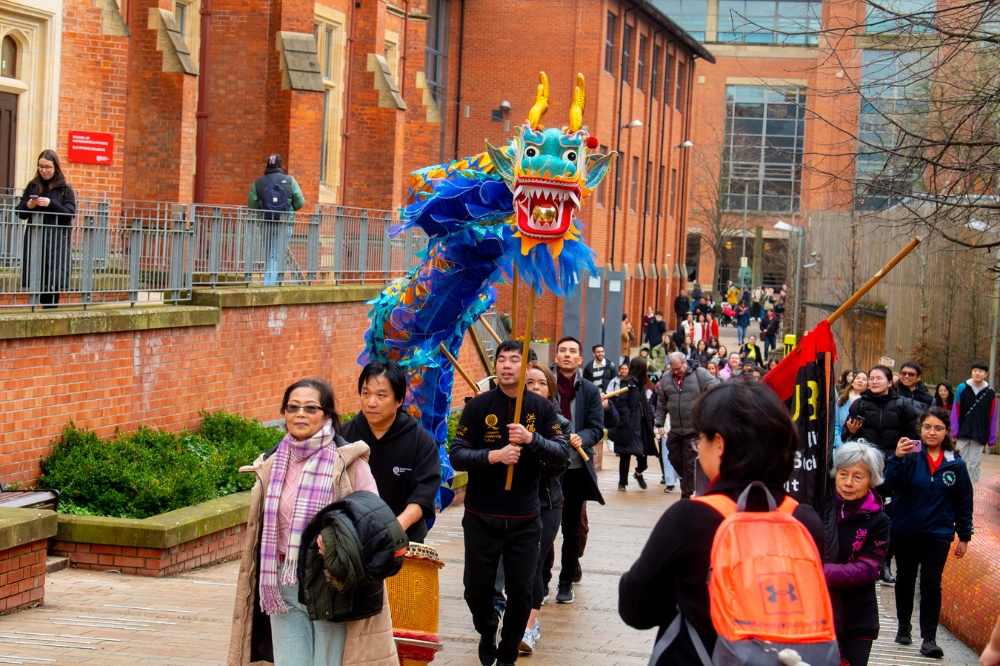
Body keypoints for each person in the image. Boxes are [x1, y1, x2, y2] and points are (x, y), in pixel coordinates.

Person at [619, 381, 824, 665]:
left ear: (719, 444)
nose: (697, 447)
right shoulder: (804, 519)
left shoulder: (690, 518)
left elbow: (636, 610)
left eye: (700, 438)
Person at [228, 379, 397, 666]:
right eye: (292, 408)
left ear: (327, 414)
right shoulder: (272, 461)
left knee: (328, 662)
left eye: (310, 408)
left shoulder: (348, 461)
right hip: (282, 579)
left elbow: (374, 519)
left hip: (329, 578)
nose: (300, 414)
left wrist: (335, 537)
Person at [449, 340, 570, 666]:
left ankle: (506, 655)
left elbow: (561, 456)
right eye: (501, 359)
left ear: (525, 367)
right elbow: (456, 454)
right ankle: (487, 628)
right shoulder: (479, 406)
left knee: (521, 592)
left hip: (525, 518)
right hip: (480, 515)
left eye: (513, 360)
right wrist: (494, 456)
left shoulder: (542, 409)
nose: (506, 366)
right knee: (477, 591)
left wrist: (532, 439)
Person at [885, 407, 974, 660]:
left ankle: (929, 638)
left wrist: (964, 537)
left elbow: (964, 502)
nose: (931, 432)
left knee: (931, 584)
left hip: (938, 534)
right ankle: (904, 627)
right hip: (906, 531)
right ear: (919, 429)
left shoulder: (955, 464)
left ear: (946, 431)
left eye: (937, 428)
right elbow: (890, 485)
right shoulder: (910, 456)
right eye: (927, 427)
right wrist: (897, 458)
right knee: (905, 579)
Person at [341, 360, 440, 543]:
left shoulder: (420, 441)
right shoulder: (343, 436)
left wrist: (395, 528)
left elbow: (423, 494)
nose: (371, 403)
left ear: (399, 400)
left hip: (403, 540)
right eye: (366, 394)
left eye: (381, 395)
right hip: (351, 542)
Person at [518, 363, 570, 655]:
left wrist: (530, 440)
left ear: (550, 390)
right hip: (511, 505)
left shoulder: (559, 424)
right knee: (514, 566)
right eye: (529, 383)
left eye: (540, 383)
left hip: (546, 503)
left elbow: (556, 465)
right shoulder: (507, 418)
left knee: (534, 565)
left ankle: (528, 626)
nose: (534, 388)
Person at [550, 337, 606, 605]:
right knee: (544, 529)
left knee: (572, 529)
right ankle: (539, 581)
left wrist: (581, 436)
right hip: (547, 469)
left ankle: (565, 582)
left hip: (574, 468)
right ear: (556, 356)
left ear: (580, 359)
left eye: (573, 351)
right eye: (563, 351)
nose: (567, 355)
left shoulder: (590, 392)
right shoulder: (543, 384)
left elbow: (597, 427)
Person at [824, 442, 890, 666]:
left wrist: (819, 572)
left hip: (858, 618)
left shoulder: (879, 521)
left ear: (872, 480)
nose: (848, 483)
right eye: (843, 474)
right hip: (819, 614)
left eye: (858, 477)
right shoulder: (820, 509)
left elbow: (867, 569)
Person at [654, 352, 719, 499]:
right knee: (674, 458)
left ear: (685, 363)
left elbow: (716, 392)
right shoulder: (666, 377)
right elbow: (661, 401)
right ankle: (691, 481)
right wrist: (659, 422)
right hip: (675, 428)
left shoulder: (700, 374)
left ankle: (686, 495)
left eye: (678, 369)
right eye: (673, 369)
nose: (676, 372)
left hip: (695, 428)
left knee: (690, 462)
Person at [16, 150, 76, 308]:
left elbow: (69, 214)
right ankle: (36, 312)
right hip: (36, 238)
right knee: (37, 276)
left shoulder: (65, 189)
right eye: (41, 166)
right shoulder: (33, 185)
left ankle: (49, 312)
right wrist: (28, 206)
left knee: (53, 280)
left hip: (56, 241)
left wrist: (51, 204)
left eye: (48, 167)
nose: (44, 170)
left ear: (55, 167)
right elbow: (20, 212)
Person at [247, 153, 305, 286]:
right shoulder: (290, 181)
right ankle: (268, 288)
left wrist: (262, 209)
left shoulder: (258, 182)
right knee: (275, 256)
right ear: (281, 165)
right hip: (284, 224)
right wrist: (289, 209)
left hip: (266, 223)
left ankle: (269, 285)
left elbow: (251, 204)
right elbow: (300, 202)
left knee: (269, 256)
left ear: (267, 165)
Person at [610, 357, 659, 493]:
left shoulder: (642, 382)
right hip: (629, 424)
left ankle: (638, 472)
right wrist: (627, 417)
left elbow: (655, 381)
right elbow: (621, 403)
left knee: (643, 454)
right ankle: (622, 482)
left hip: (642, 423)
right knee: (625, 454)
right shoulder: (628, 382)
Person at [950, 360, 998, 484]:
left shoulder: (990, 392)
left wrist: (992, 438)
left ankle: (973, 488)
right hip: (963, 431)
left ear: (986, 374)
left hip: (980, 433)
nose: (977, 373)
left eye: (980, 371)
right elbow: (956, 410)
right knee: (960, 460)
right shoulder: (962, 388)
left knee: (975, 463)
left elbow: (993, 416)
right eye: (975, 370)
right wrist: (953, 432)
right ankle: (958, 486)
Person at [834, 371, 868, 446]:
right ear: (852, 382)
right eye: (857, 378)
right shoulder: (841, 401)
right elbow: (836, 424)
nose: (860, 380)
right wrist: (839, 442)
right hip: (842, 446)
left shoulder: (869, 402)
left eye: (864, 379)